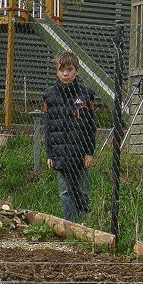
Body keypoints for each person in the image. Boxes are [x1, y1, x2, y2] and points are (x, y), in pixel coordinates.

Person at [43, 51, 96, 223]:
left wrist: (89, 152)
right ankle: (70, 226)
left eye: (69, 69)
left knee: (82, 191)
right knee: (65, 191)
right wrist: (50, 155)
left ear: (77, 71)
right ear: (56, 72)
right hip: (60, 154)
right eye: (61, 70)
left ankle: (85, 225)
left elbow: (91, 127)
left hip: (80, 154)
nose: (65, 74)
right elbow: (48, 128)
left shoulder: (86, 95)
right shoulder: (50, 96)